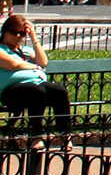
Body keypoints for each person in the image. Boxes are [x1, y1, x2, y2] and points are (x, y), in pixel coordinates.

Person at [0, 14, 72, 142]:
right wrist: (35, 68)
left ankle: (65, 135)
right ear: (4, 32)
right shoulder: (1, 49)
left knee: (59, 91)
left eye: (22, 33)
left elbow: (43, 62)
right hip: (10, 92)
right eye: (13, 32)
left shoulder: (25, 50)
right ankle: (36, 135)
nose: (18, 36)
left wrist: (34, 36)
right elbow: (13, 65)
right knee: (36, 91)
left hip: (36, 87)